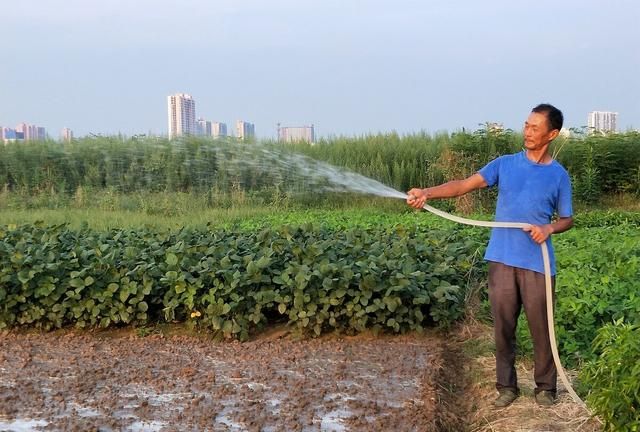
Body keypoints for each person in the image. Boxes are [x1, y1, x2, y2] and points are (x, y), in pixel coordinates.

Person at [407, 103, 573, 408]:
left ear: (552, 133)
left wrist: (549, 229)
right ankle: (506, 387)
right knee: (503, 326)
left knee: (542, 328)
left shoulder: (559, 176)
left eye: (535, 127)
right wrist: (427, 192)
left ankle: (546, 388)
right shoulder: (505, 164)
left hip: (538, 263)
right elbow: (462, 186)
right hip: (502, 259)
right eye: (526, 125)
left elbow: (567, 219)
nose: (527, 131)